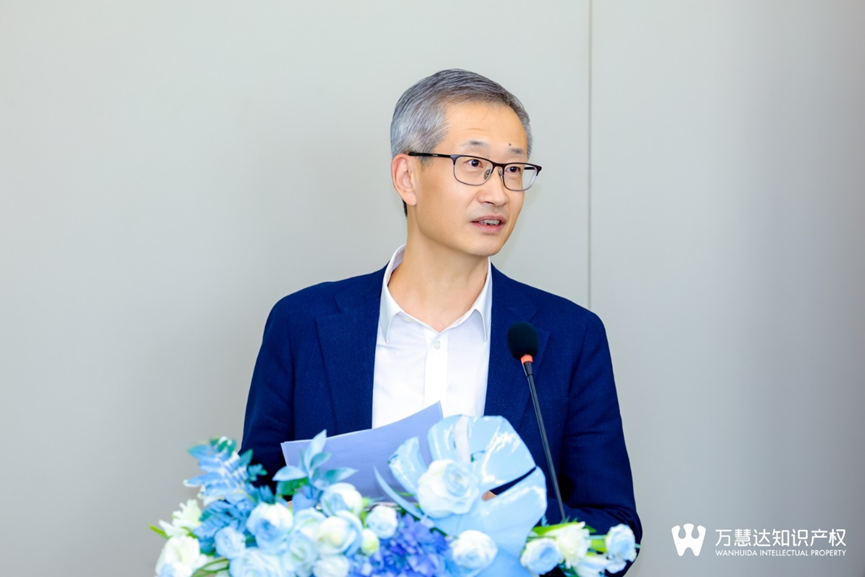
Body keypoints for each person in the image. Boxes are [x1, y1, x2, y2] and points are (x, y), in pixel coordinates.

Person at [240, 69, 641, 556]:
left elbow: (614, 531)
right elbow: (249, 509)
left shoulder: (569, 337)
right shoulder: (304, 325)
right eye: (474, 163)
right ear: (407, 177)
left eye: (513, 169)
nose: (498, 193)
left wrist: (506, 514)